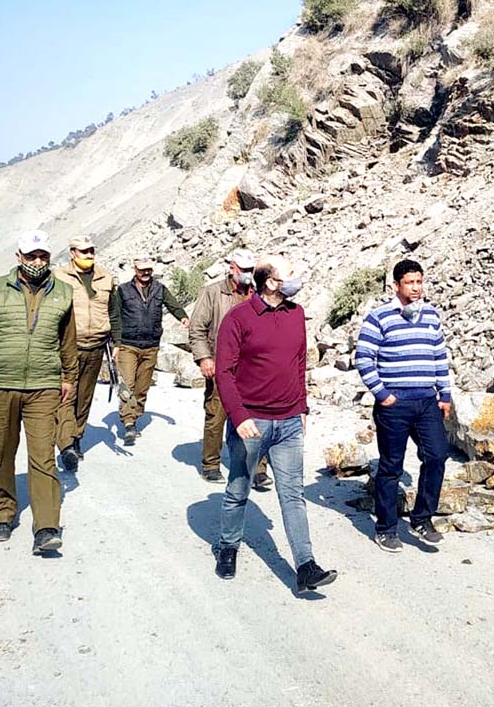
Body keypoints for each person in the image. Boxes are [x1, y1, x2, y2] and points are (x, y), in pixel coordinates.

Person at [212, 255, 336, 593]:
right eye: (290, 273)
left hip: (289, 423)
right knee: (239, 488)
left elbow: (298, 363)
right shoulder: (238, 318)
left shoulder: (296, 314)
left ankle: (306, 566)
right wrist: (238, 417)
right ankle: (227, 546)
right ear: (270, 282)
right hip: (251, 421)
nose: (297, 278)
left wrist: (303, 407)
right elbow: (224, 372)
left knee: (292, 494)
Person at [0, 230, 78, 554]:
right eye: (32, 255)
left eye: (43, 256)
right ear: (19, 257)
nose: (38, 261)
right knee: (2, 453)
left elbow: (69, 344)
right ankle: (4, 514)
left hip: (44, 388)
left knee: (43, 458)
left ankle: (47, 527)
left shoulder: (63, 293)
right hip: (0, 387)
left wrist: (69, 378)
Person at [355, 258, 452, 552]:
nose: (416, 288)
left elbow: (439, 355)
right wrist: (382, 394)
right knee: (391, 467)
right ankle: (385, 528)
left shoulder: (431, 315)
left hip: (426, 402)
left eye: (419, 281)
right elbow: (363, 358)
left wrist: (444, 394)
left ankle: (422, 518)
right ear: (396, 285)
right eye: (410, 282)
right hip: (394, 405)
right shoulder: (379, 317)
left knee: (436, 456)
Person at [188, 249, 270, 487]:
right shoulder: (213, 293)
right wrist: (204, 358)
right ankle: (211, 465)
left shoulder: (258, 294)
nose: (247, 275)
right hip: (221, 366)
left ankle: (258, 469)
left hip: (252, 370)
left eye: (250, 271)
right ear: (232, 268)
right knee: (217, 415)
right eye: (243, 270)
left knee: (256, 417)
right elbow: (197, 328)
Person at [108, 256, 188, 446]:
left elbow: (173, 304)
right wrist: (116, 343)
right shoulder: (123, 290)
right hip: (128, 344)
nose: (145, 273)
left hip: (151, 345)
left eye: (149, 270)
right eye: (142, 270)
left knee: (142, 387)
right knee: (127, 385)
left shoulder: (159, 289)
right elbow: (116, 316)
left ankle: (134, 418)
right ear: (135, 269)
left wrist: (183, 318)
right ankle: (128, 423)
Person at [53, 235, 115, 472]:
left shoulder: (105, 277)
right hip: (68, 346)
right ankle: (66, 444)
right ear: (72, 253)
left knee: (84, 397)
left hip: (97, 346)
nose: (89, 255)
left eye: (91, 251)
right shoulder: (58, 276)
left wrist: (116, 341)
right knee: (66, 394)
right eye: (83, 251)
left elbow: (114, 311)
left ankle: (76, 437)